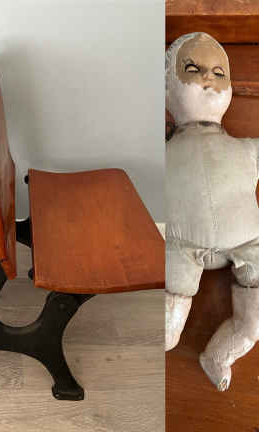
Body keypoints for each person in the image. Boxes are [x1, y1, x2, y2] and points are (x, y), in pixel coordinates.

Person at [165, 32, 259, 391]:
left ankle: (218, 356)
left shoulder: (246, 150)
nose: (208, 77)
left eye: (220, 73)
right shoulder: (163, 153)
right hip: (179, 247)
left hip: (250, 243)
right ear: (167, 89)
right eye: (193, 69)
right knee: (165, 334)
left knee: (253, 325)